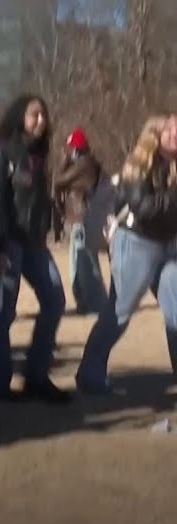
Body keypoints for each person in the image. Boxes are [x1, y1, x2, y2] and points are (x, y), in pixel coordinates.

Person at [77, 115, 177, 396]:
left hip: (170, 245)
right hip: (137, 243)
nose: (174, 136)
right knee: (119, 312)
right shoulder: (140, 163)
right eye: (170, 130)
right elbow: (143, 206)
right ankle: (90, 373)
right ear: (158, 135)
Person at [0, 94, 71, 403]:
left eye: (43, 115)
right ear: (20, 117)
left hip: (33, 242)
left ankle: (36, 376)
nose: (41, 121)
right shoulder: (1, 151)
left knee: (55, 299)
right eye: (34, 115)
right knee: (2, 310)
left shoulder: (40, 154)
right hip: (5, 241)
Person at [53, 129, 107, 316]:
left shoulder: (84, 164)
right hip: (78, 218)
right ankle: (86, 302)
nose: (68, 152)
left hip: (82, 218)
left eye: (71, 149)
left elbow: (59, 180)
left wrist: (63, 161)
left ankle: (96, 303)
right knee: (78, 262)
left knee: (85, 262)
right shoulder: (83, 164)